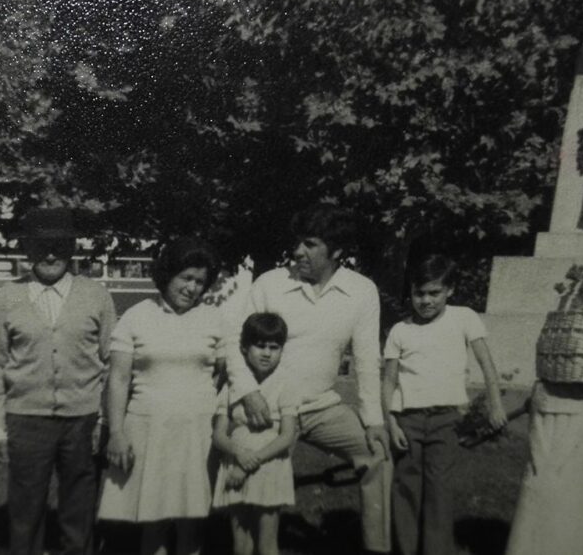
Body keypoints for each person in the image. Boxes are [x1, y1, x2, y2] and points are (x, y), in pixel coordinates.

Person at [230, 204, 393, 553]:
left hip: (322, 407)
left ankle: (376, 548)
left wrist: (374, 420)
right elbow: (235, 343)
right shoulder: (270, 284)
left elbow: (366, 360)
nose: (297, 251)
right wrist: (248, 394)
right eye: (298, 243)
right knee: (248, 482)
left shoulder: (362, 291)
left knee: (378, 454)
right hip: (268, 409)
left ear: (336, 251)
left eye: (310, 244)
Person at [0, 207, 117, 555]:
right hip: (26, 420)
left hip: (83, 421)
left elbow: (111, 363)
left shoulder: (95, 295)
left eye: (59, 245)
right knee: (25, 513)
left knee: (79, 511)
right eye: (41, 246)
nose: (51, 254)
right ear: (27, 250)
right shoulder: (9, 296)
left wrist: (104, 418)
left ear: (71, 248)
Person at [98, 236, 230, 555]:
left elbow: (225, 373)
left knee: (192, 518)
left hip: (197, 431)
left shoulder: (215, 319)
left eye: (200, 281)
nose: (192, 288)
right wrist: (115, 432)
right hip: (148, 428)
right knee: (152, 516)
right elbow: (118, 379)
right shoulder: (137, 315)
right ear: (167, 274)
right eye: (185, 278)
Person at [381, 254, 507, 555]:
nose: (425, 300)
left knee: (439, 489)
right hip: (408, 420)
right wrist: (391, 421)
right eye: (418, 293)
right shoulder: (400, 330)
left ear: (449, 290)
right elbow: (388, 381)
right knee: (406, 487)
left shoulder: (464, 317)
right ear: (411, 292)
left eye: (433, 293)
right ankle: (405, 549)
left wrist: (495, 404)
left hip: (446, 419)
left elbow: (486, 363)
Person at [212, 312, 300, 555]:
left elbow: (287, 435)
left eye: (274, 347)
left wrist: (251, 462)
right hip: (235, 465)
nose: (266, 353)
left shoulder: (285, 383)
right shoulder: (233, 386)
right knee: (240, 544)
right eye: (260, 346)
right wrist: (239, 455)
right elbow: (219, 436)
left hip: (269, 466)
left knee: (267, 544)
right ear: (243, 348)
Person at [504, 382, 583, 555]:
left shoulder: (541, 389)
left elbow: (533, 429)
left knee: (530, 522)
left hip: (540, 469)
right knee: (569, 521)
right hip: (573, 476)